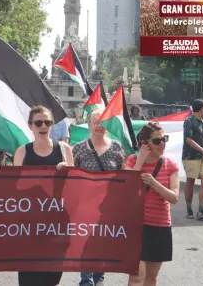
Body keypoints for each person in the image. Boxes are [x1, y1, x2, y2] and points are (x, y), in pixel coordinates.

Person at [13, 106, 73, 286]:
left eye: (47, 122)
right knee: (28, 276)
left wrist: (68, 171)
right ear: (31, 125)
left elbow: (76, 186)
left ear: (53, 125)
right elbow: (13, 187)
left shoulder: (64, 149)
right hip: (29, 221)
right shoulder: (22, 151)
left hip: (57, 220)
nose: (43, 126)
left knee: (52, 277)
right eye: (38, 122)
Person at [73, 109, 125, 286]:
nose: (98, 125)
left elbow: (123, 175)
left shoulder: (117, 147)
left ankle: (99, 278)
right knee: (86, 243)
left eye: (102, 122)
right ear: (89, 125)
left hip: (107, 206)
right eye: (95, 122)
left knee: (103, 241)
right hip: (85, 206)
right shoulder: (79, 148)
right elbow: (71, 177)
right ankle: (86, 280)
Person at [125, 122, 179, 286]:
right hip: (136, 226)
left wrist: (155, 184)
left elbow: (174, 198)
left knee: (151, 278)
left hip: (160, 226)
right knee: (136, 276)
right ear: (144, 143)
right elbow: (125, 187)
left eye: (164, 139)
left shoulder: (170, 165)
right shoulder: (132, 160)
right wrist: (139, 162)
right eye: (157, 141)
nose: (162, 144)